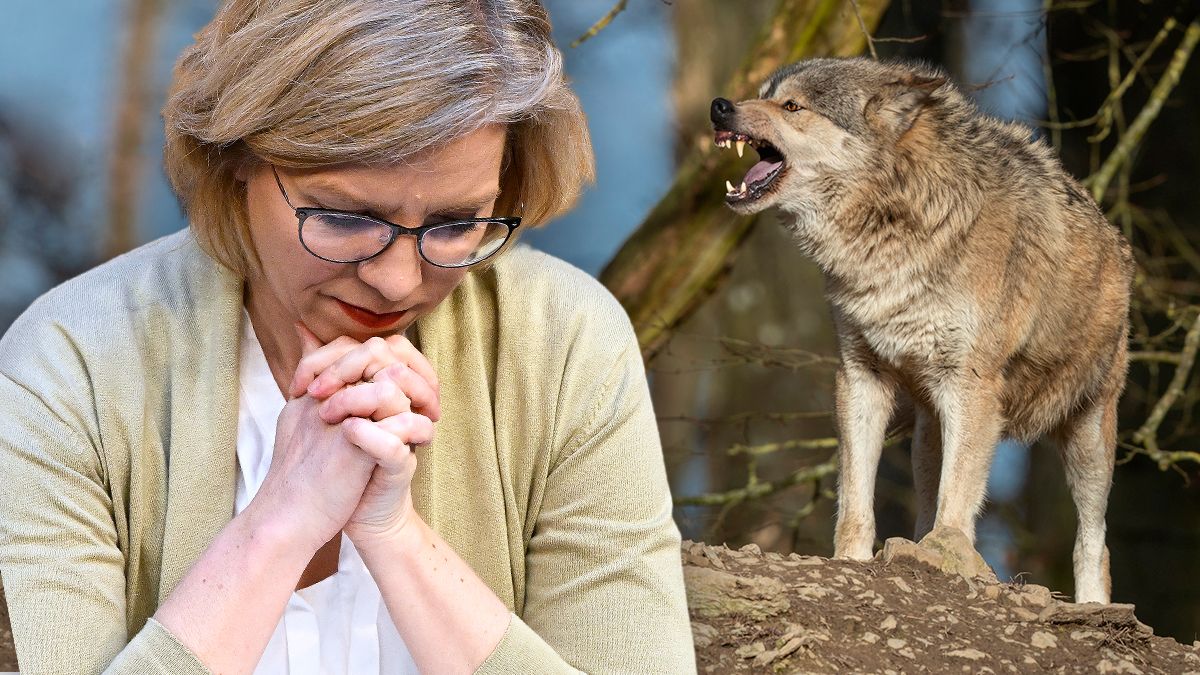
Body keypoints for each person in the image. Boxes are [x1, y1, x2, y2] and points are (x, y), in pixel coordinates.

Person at [0, 1, 695, 673]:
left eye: (455, 224)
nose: (397, 282)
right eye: (345, 218)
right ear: (235, 157)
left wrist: (398, 539)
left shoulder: (565, 344)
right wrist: (282, 520)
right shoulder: (74, 366)